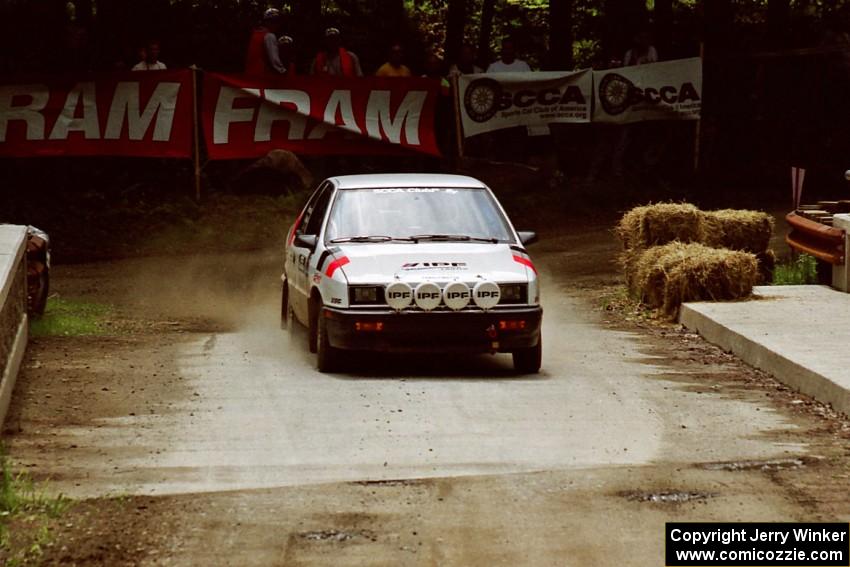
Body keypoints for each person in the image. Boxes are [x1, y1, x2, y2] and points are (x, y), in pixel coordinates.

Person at [245, 8, 286, 76]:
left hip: (250, 75)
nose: (277, 25)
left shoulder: (255, 34)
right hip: (262, 77)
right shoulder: (270, 36)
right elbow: (274, 61)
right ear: (267, 22)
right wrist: (283, 72)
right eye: (274, 22)